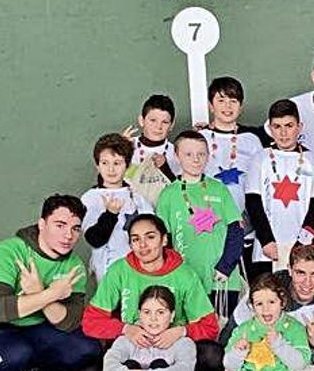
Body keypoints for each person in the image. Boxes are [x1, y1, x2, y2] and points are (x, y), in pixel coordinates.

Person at [0, 195, 101, 371]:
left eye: (75, 228)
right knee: (17, 354)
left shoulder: (74, 267)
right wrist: (49, 294)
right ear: (42, 224)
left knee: (86, 347)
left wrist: (40, 294)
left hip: (35, 327)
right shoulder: (9, 252)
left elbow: (69, 321)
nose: (68, 235)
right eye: (60, 225)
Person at [81, 214, 219, 371]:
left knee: (213, 356)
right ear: (130, 244)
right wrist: (126, 329)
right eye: (135, 239)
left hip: (172, 350)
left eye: (150, 237)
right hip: (133, 350)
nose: (143, 245)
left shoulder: (184, 274)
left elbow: (210, 326)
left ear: (164, 239)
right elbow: (90, 322)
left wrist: (180, 331)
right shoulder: (119, 271)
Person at [156, 131, 244, 314]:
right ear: (176, 155)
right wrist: (174, 274)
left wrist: (225, 267)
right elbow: (164, 242)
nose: (196, 160)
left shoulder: (219, 189)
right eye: (188, 154)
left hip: (223, 280)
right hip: (187, 280)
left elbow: (236, 230)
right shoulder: (168, 195)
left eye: (201, 154)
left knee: (222, 334)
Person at [245, 100, 314, 279]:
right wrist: (266, 240)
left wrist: (303, 242)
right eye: (277, 127)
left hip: (302, 247)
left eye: (289, 126)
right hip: (267, 249)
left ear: (299, 127)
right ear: (270, 129)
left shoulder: (313, 160)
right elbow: (253, 202)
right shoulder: (260, 159)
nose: (284, 133)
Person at [81, 133, 153, 281]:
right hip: (107, 274)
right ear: (97, 165)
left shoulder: (138, 200)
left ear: (127, 165)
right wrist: (110, 214)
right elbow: (94, 239)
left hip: (139, 273)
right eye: (105, 163)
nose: (111, 170)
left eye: (117, 163)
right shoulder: (91, 198)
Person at [198, 77, 262, 236]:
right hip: (206, 224)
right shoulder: (199, 138)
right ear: (211, 106)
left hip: (246, 224)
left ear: (241, 107)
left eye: (233, 101)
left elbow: (261, 183)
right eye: (221, 100)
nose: (227, 106)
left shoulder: (251, 139)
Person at [125, 94, 179, 182]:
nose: (158, 127)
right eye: (153, 120)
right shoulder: (128, 145)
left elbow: (180, 188)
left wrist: (165, 168)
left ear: (171, 125)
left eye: (165, 122)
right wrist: (119, 148)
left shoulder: (175, 152)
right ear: (141, 121)